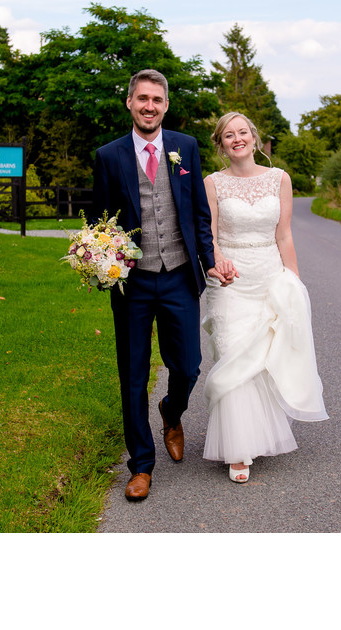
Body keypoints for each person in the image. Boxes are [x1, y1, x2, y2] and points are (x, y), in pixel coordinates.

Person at [92, 69, 237, 501]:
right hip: (132, 284)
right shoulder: (109, 155)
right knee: (133, 375)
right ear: (130, 103)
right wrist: (101, 265)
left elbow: (198, 216)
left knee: (188, 365)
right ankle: (141, 466)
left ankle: (171, 413)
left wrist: (209, 262)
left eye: (157, 99)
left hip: (178, 275)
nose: (149, 106)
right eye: (142, 99)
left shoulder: (185, 147)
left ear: (166, 105)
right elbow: (103, 222)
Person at [201, 112, 328, 483]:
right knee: (234, 353)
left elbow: (284, 234)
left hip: (269, 277)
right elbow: (208, 235)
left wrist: (294, 281)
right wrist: (219, 262)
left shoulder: (280, 179)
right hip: (230, 280)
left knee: (261, 358)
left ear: (254, 138)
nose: (237, 138)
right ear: (221, 144)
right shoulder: (212, 183)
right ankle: (238, 450)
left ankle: (252, 434)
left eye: (243, 132)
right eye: (229, 134)